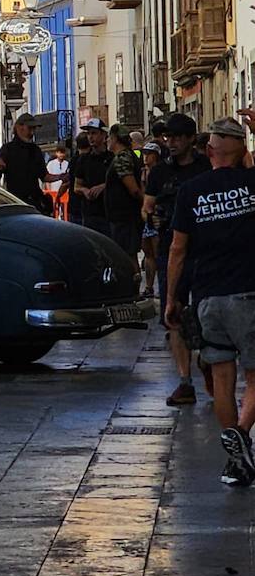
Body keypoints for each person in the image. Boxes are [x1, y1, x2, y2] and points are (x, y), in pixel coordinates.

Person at [166, 117, 255, 486]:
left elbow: (177, 249)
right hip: (248, 294)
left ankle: (236, 459)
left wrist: (172, 298)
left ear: (208, 150)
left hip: (207, 298)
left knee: (221, 377)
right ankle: (241, 433)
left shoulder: (191, 191)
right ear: (242, 151)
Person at [145, 112, 211, 406]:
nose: (171, 143)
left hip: (205, 250)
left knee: (208, 311)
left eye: (177, 138)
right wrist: (153, 217)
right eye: (168, 138)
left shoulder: (206, 167)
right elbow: (147, 205)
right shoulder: (160, 172)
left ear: (190, 139)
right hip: (170, 248)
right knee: (174, 313)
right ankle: (185, 381)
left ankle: (208, 359)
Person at [0, 113, 50, 213]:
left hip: (35, 203)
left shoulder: (35, 150)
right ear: (19, 127)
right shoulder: (7, 149)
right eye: (30, 128)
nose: (32, 132)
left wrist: (61, 177)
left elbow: (44, 176)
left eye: (34, 129)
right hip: (15, 203)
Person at [103, 124, 143, 260]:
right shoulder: (126, 156)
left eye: (109, 137)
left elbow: (134, 189)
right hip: (122, 217)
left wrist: (145, 204)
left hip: (124, 218)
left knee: (126, 257)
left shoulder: (122, 158)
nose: (107, 140)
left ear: (115, 138)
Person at [72, 119, 112, 234]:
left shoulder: (111, 158)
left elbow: (119, 183)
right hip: (90, 214)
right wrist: (85, 190)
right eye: (88, 133)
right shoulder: (83, 159)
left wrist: (103, 187)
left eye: (94, 133)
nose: (90, 137)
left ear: (103, 135)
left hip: (108, 213)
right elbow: (76, 186)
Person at [138, 142, 163, 297]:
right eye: (144, 153)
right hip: (146, 214)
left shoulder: (161, 172)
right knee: (148, 251)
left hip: (157, 214)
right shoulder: (142, 172)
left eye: (149, 154)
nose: (145, 157)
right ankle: (149, 287)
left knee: (158, 251)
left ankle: (161, 286)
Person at [46, 146, 71, 221]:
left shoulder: (67, 164)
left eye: (63, 153)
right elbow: (47, 178)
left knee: (64, 211)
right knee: (55, 210)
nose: (61, 155)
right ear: (56, 153)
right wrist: (49, 190)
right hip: (54, 191)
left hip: (64, 192)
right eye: (59, 153)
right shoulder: (51, 164)